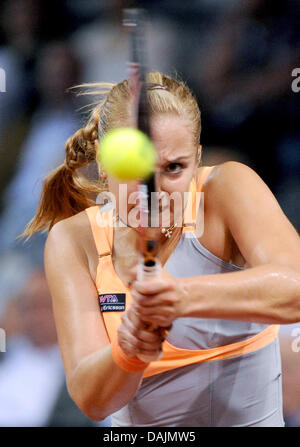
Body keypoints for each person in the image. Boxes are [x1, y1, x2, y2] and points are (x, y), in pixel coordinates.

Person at [23, 72, 300, 427]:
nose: (152, 190)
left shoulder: (227, 188)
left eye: (173, 168)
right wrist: (130, 350)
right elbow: (91, 400)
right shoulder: (73, 240)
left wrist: (181, 296)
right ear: (104, 163)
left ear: (196, 159)